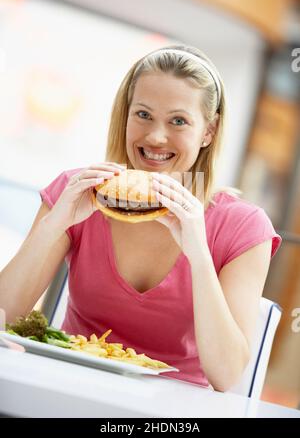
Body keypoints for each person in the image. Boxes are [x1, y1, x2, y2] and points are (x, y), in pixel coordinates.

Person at [0, 44, 282, 391]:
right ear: (126, 115)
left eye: (178, 121)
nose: (155, 137)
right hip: (67, 389)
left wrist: (198, 254)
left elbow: (225, 376)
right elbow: (4, 317)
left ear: (208, 130)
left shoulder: (242, 226)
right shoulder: (77, 192)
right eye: (143, 114)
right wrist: (54, 224)